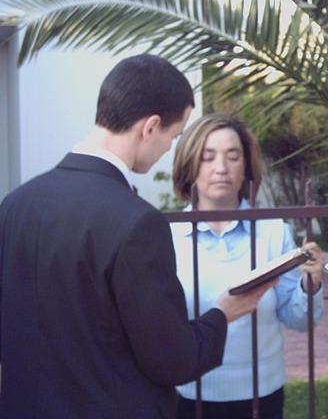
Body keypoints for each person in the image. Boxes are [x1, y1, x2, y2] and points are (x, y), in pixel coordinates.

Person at [0, 54, 274, 419]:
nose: (168, 149)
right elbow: (173, 360)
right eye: (174, 136)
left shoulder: (16, 204)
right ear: (150, 127)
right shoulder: (136, 223)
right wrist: (222, 315)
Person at [170, 113, 325, 419]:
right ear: (189, 165)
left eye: (233, 156)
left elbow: (299, 319)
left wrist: (311, 285)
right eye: (207, 156)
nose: (221, 168)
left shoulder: (271, 230)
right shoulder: (168, 235)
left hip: (261, 396)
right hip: (190, 394)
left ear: (246, 166)